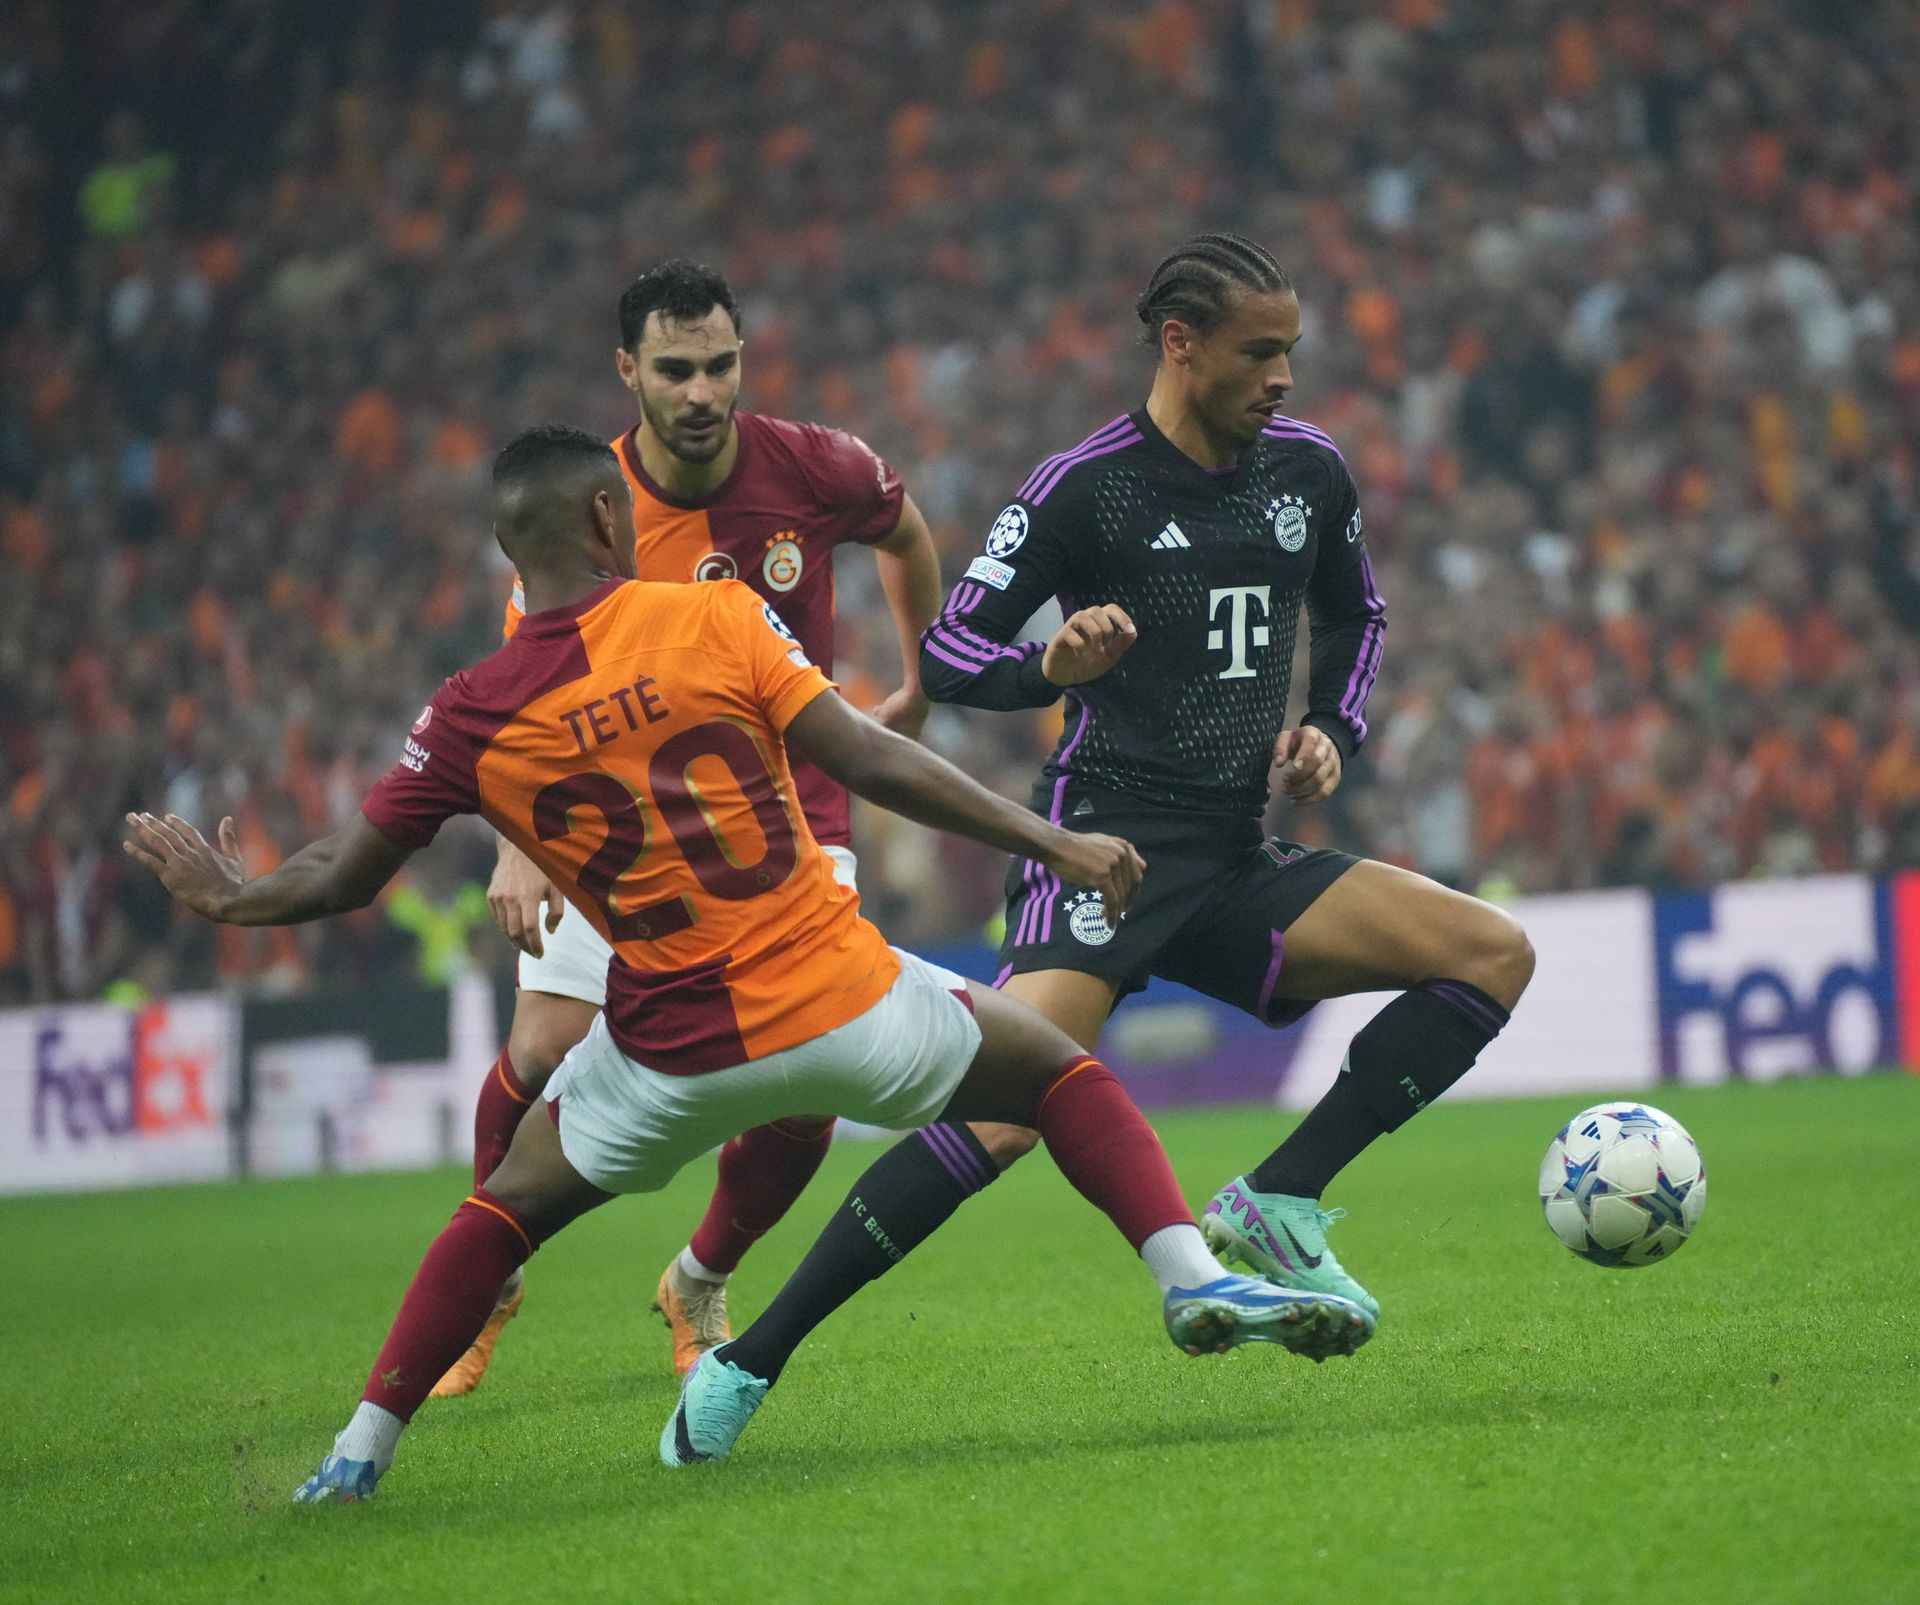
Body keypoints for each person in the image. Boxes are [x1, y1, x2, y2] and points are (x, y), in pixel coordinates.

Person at [124, 425, 1369, 1502]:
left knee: (499, 1209)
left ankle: (354, 1456)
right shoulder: (714, 614)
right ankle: (1189, 1277)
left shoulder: (469, 711)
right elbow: (877, 762)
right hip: (842, 1006)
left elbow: (341, 873)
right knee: (1059, 1077)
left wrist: (230, 902)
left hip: (664, 1056)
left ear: (515, 555)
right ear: (611, 517)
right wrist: (1053, 837)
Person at [916, 234, 1537, 1322]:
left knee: (1493, 950)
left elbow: (1358, 614)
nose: (1285, 376)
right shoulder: (1083, 486)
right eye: (1261, 352)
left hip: (1233, 853)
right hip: (1102, 845)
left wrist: (1333, 726)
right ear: (1180, 345)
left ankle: (1281, 1196)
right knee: (1002, 1117)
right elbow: (946, 648)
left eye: (1291, 350)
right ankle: (750, 1349)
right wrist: (1043, 666)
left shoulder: (1308, 468)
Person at [454, 259, 969, 1395]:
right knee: (542, 1054)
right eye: (676, 368)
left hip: (791, 814)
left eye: (720, 365)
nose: (701, 391)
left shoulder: (818, 466)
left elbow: (909, 534)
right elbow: (522, 692)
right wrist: (514, 845)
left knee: (809, 1092)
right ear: (628, 370)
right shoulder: (592, 506)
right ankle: (488, 1279)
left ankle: (697, 1279)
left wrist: (921, 681)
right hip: (635, 822)